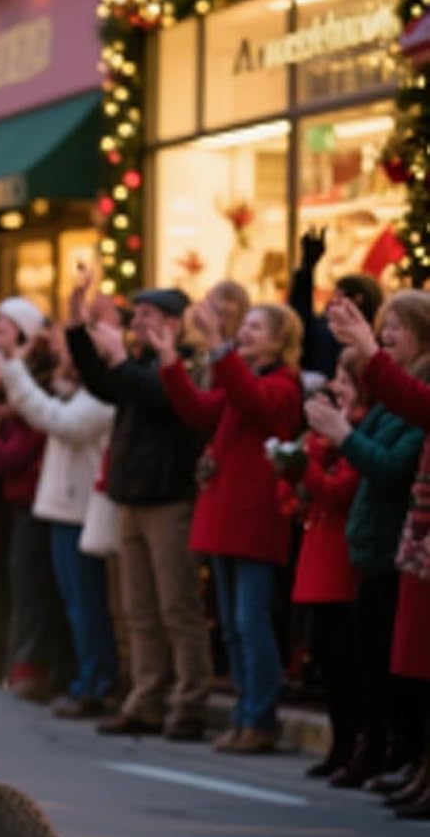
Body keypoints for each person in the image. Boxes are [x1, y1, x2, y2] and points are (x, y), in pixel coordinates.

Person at [148, 300, 303, 754]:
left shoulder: (283, 384)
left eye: (256, 327)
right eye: (245, 326)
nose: (246, 332)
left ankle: (261, 718)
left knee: (250, 622)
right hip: (226, 517)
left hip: (252, 520)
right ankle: (243, 715)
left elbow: (252, 401)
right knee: (233, 627)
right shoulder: (244, 379)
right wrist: (170, 361)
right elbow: (199, 410)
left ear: (280, 340)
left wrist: (219, 345)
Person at [68, 288, 212, 741]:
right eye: (136, 315)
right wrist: (77, 329)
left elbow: (163, 398)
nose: (136, 324)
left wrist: (119, 360)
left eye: (147, 315)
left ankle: (189, 702)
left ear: (173, 322)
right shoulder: (138, 366)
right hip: (131, 497)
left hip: (170, 499)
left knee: (177, 606)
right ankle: (146, 700)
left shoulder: (186, 365)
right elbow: (103, 384)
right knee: (139, 610)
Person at [326, 291, 430, 814]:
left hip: (401, 535)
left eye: (397, 327)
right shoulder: (402, 388)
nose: (389, 335)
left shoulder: (414, 388)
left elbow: (391, 458)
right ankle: (415, 766)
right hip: (408, 536)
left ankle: (406, 758)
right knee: (401, 660)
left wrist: (368, 352)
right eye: (384, 326)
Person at [0, 286, 118, 717]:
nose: (65, 355)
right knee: (73, 602)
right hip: (63, 507)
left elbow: (58, 421)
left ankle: (96, 682)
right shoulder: (78, 390)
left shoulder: (101, 396)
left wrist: (15, 368)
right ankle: (85, 677)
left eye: (74, 350)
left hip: (79, 509)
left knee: (85, 604)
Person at [0, 297, 71, 701]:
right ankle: (15, 665)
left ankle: (29, 668)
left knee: (30, 585)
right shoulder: (15, 405)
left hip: (33, 502)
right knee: (17, 583)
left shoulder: (38, 400)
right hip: (14, 503)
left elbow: (11, 457)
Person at [277, 354, 363, 777]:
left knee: (344, 660)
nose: (335, 386)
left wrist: (305, 468)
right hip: (318, 552)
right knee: (326, 656)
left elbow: (339, 490)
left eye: (346, 380)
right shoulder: (326, 435)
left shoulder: (355, 435)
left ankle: (352, 745)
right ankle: (340, 745)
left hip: (340, 559)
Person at [289, 228, 385, 378]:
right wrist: (307, 268)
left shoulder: (376, 338)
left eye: (338, 295)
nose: (331, 301)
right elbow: (300, 316)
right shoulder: (325, 327)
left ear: (358, 299)